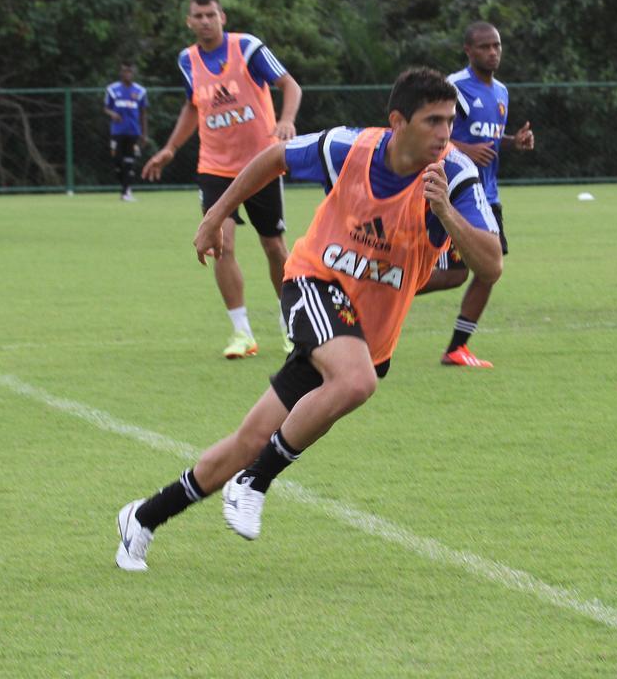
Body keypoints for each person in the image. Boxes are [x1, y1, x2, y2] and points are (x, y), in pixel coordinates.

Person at [115, 67, 502, 571]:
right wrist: (215, 215)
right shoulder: (350, 148)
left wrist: (446, 213)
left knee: (250, 439)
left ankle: (142, 518)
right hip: (311, 283)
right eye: (432, 121)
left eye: (450, 121)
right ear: (398, 121)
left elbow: (491, 264)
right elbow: (274, 156)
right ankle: (256, 480)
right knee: (357, 381)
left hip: (361, 329)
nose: (445, 133)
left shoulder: (455, 178)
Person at [141, 0, 303, 359]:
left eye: (210, 14)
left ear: (222, 17)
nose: (204, 21)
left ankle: (290, 326)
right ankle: (242, 333)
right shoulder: (187, 60)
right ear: (189, 21)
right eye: (197, 16)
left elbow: (290, 85)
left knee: (274, 246)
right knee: (220, 244)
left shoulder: (247, 48)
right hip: (214, 167)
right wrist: (170, 148)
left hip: (261, 162)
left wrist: (287, 120)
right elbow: (191, 106)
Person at [418, 22, 534, 368]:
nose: (493, 52)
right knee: (458, 275)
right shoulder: (455, 87)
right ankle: (380, 288)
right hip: (459, 195)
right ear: (468, 50)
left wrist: (514, 142)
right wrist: (466, 149)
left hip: (489, 196)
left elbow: (489, 140)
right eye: (485, 47)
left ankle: (457, 348)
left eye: (497, 45)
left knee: (486, 271)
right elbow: (427, 132)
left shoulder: (501, 92)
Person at [103, 61, 148, 201]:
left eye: (129, 71)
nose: (127, 74)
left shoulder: (140, 91)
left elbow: (143, 113)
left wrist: (144, 134)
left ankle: (126, 191)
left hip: (133, 132)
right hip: (117, 131)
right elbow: (106, 108)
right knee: (117, 162)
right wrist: (112, 114)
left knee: (129, 162)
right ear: (121, 73)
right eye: (124, 71)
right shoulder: (112, 89)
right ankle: (124, 188)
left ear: (133, 73)